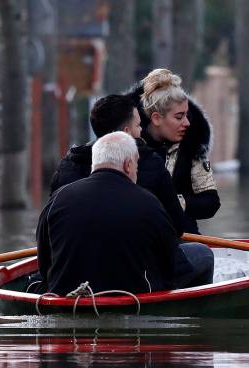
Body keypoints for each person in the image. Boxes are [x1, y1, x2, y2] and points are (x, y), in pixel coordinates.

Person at [47, 94, 214, 290]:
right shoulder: (150, 172)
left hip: (70, 279)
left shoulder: (66, 171)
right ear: (128, 164)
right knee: (204, 254)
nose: (142, 131)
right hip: (135, 276)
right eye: (138, 125)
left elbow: (48, 244)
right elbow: (173, 232)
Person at [37, 132, 181, 296]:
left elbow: (44, 263)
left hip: (66, 298)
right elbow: (170, 263)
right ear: (128, 164)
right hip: (132, 300)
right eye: (136, 166)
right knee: (202, 254)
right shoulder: (150, 203)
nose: (136, 172)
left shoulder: (57, 198)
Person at [130, 68, 221, 235]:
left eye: (187, 115)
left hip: (183, 239)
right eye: (179, 117)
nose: (187, 123)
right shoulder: (127, 147)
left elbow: (211, 202)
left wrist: (176, 202)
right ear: (156, 118)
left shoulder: (192, 147)